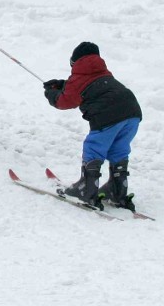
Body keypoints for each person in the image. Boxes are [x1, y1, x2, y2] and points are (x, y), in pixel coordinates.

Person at [43, 42, 142, 210]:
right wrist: (63, 85)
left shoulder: (79, 76)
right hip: (132, 112)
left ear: (74, 62)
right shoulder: (104, 72)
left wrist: (52, 93)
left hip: (108, 116)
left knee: (94, 148)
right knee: (118, 149)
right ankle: (117, 190)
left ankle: (86, 189)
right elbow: (88, 86)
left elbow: (64, 101)